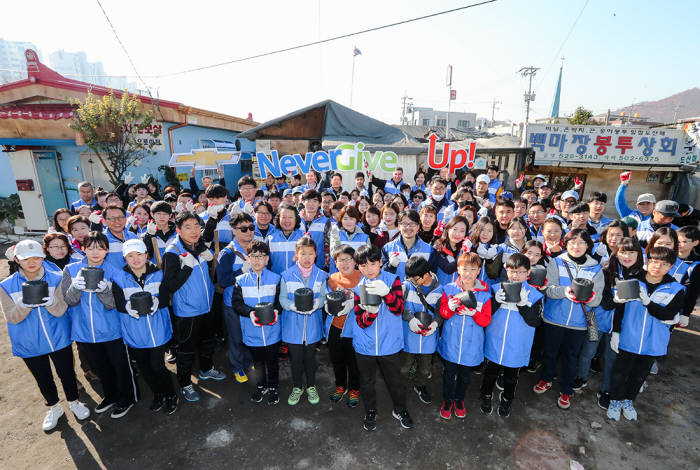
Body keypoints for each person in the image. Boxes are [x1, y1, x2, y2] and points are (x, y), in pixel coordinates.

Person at [0, 239, 90, 431]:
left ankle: (74, 402)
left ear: (43, 257)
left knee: (67, 373)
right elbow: (12, 318)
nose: (31, 262)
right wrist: (24, 305)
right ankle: (54, 407)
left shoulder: (57, 277)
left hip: (58, 338)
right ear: (17, 259)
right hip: (29, 343)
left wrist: (51, 303)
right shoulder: (6, 285)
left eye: (36, 258)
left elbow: (61, 310)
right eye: (26, 259)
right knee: (43, 377)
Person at [61, 231, 138, 418]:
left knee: (120, 366)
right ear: (83, 248)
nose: (95, 252)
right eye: (91, 247)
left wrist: (105, 291)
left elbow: (115, 304)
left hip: (113, 330)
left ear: (106, 251)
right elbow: (69, 300)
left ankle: (127, 398)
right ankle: (111, 396)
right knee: (100, 368)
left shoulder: (115, 272)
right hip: (85, 332)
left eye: (100, 248)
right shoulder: (70, 270)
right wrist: (75, 286)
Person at [607, 246, 685, 421]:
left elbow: (668, 314)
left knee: (639, 374)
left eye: (664, 264)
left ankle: (628, 400)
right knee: (620, 371)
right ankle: (615, 400)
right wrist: (617, 332)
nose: (657, 267)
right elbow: (620, 308)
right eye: (654, 262)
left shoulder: (675, 288)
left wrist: (648, 302)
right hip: (629, 336)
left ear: (671, 266)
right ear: (647, 261)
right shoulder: (632, 280)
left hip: (654, 340)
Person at [534, 229, 604, 410]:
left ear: (588, 245)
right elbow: (548, 289)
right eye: (572, 242)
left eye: (581, 242)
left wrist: (587, 298)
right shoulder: (557, 262)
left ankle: (566, 389)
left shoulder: (596, 268)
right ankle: (546, 379)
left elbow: (598, 299)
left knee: (571, 357)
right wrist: (564, 291)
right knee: (549, 353)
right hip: (553, 319)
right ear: (566, 244)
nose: (577, 246)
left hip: (579, 324)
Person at [163, 212, 225, 403]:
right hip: (188, 312)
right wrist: (187, 268)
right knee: (186, 350)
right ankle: (185, 383)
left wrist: (207, 259)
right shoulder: (172, 252)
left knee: (208, 342)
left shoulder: (198, 246)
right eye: (188, 227)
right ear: (179, 230)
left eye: (197, 226)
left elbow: (208, 278)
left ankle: (206, 370)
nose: (194, 231)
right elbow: (170, 285)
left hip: (206, 307)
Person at [111, 239, 178, 415]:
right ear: (124, 258)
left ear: (146, 255)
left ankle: (171, 394)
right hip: (135, 332)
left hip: (157, 330)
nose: (135, 259)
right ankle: (158, 393)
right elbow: (118, 303)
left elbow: (165, 298)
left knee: (157, 366)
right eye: (130, 256)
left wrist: (157, 301)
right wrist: (127, 308)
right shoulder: (119, 277)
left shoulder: (158, 273)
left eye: (139, 254)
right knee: (145, 368)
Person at [352, 244, 412, 431]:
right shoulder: (357, 288)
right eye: (362, 265)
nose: (368, 269)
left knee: (395, 380)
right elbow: (360, 322)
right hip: (365, 345)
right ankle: (370, 410)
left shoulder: (392, 280)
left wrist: (386, 293)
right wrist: (370, 314)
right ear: (358, 266)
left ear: (380, 262)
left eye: (372, 264)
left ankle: (400, 409)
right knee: (367, 381)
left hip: (389, 343)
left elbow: (398, 309)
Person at [579, 237, 643, 409]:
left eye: (631, 252)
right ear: (616, 253)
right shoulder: (606, 270)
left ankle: (607, 389)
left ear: (639, 254)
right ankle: (580, 378)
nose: (626, 256)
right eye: (623, 252)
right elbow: (605, 301)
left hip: (621, 324)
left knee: (611, 357)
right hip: (596, 318)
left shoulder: (642, 275)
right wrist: (617, 299)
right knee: (588, 350)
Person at [481, 253, 543, 417]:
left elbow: (535, 322)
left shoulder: (535, 295)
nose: (515, 275)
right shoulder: (496, 289)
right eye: (511, 271)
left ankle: (507, 398)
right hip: (495, 340)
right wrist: (495, 301)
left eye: (521, 272)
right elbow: (485, 315)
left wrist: (523, 306)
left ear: (528, 273)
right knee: (490, 373)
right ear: (506, 271)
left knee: (511, 377)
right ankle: (486, 395)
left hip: (517, 345)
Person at [438, 251, 492, 419]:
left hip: (472, 342)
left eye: (473, 269)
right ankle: (447, 400)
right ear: (458, 270)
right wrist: (451, 307)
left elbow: (486, 321)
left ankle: (459, 400)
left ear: (479, 271)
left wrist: (474, 313)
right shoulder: (449, 289)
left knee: (465, 376)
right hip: (451, 340)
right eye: (464, 268)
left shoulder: (485, 293)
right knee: (449, 374)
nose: (468, 273)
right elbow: (444, 314)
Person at [232, 240, 283, 405]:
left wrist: (276, 310)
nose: (257, 260)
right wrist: (250, 313)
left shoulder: (276, 279)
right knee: (258, 363)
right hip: (252, 332)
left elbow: (280, 302)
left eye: (261, 256)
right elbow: (237, 304)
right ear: (247, 259)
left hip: (272, 331)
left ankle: (273, 387)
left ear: (267, 259)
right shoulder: (240, 280)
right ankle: (261, 386)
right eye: (253, 256)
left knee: (272, 361)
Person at [279, 237, 328, 406]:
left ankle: (311, 386)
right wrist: (292, 306)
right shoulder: (286, 275)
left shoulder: (322, 275)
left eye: (310, 254)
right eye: (303, 254)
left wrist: (318, 303)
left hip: (313, 327)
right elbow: (282, 299)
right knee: (296, 359)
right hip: (293, 327)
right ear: (296, 255)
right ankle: (297, 387)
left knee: (310, 359)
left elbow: (323, 297)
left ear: (316, 255)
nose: (307, 258)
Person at [217, 213, 256, 383]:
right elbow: (223, 280)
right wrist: (242, 272)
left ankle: (248, 361)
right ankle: (237, 367)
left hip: (252, 301)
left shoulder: (256, 248)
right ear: (233, 230)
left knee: (249, 334)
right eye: (244, 228)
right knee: (235, 336)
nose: (249, 231)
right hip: (232, 303)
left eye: (251, 227)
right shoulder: (227, 253)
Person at [401, 256, 443, 405]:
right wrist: (410, 318)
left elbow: (440, 313)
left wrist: (435, 324)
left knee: (425, 369)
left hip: (428, 337)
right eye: (410, 278)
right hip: (409, 335)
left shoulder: (440, 289)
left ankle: (420, 385)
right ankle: (400, 388)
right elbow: (398, 306)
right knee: (404, 367)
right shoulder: (406, 286)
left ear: (427, 274)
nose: (413, 281)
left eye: (416, 279)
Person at [325, 245, 362, 407]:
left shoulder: (362, 277)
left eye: (349, 259)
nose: (345, 263)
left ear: (355, 261)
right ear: (335, 262)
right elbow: (325, 296)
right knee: (337, 360)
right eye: (341, 260)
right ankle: (341, 385)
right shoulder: (332, 279)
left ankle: (354, 388)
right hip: (335, 328)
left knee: (354, 362)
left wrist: (355, 300)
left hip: (355, 329)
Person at [381, 209, 433, 280]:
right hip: (395, 290)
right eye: (404, 224)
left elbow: (432, 276)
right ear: (399, 226)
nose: (408, 227)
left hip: (419, 290)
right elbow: (382, 275)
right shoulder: (388, 248)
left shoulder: (429, 249)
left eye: (412, 224)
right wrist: (390, 266)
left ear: (418, 227)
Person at [328, 206, 370, 274]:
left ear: (356, 220)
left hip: (358, 276)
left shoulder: (364, 237)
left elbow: (367, 258)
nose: (348, 222)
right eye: (345, 219)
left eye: (351, 218)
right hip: (338, 276)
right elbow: (333, 254)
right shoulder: (336, 234)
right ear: (341, 220)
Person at [430, 215, 469, 286]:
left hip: (460, 292)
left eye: (462, 231)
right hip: (440, 291)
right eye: (455, 229)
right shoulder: (439, 246)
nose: (457, 234)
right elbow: (447, 269)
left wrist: (467, 252)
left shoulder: (468, 248)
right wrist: (463, 254)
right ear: (448, 229)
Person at [266, 204, 306, 275]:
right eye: (284, 217)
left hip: (299, 281)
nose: (287, 221)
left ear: (296, 219)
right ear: (278, 218)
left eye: (290, 217)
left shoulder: (305, 238)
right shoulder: (270, 239)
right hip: (277, 282)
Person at [299, 190, 331, 270]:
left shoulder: (326, 221)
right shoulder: (296, 220)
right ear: (303, 201)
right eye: (308, 200)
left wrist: (327, 265)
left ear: (319, 203)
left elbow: (328, 246)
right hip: (298, 265)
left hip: (319, 266)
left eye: (315, 201)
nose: (311, 204)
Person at [676, 226, 700, 327]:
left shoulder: (696, 263)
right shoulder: (667, 257)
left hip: (679, 306)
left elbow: (694, 291)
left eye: (684, 241)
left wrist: (686, 314)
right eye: (677, 241)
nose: (679, 244)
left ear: (695, 243)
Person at [102, 205, 138, 269]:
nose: (117, 221)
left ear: (126, 219)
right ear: (104, 221)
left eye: (120, 217)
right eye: (112, 218)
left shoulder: (133, 237)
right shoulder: (102, 240)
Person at [142, 201, 177, 266]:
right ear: (152, 215)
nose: (162, 217)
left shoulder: (178, 233)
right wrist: (150, 236)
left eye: (165, 214)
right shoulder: (145, 236)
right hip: (156, 273)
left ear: (170, 215)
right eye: (158, 214)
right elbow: (147, 256)